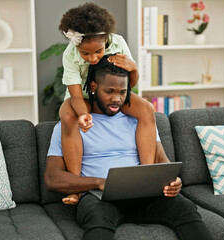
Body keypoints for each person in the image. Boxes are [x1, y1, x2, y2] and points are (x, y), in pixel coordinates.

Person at [44, 56, 213, 240]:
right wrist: (99, 183)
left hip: (145, 195)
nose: (116, 99)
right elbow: (52, 178)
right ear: (93, 87)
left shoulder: (140, 121)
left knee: (186, 208)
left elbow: (161, 160)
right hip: (98, 198)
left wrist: (172, 181)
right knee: (97, 220)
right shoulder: (71, 124)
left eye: (122, 92)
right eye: (109, 91)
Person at [58, 2, 156, 204]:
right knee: (67, 113)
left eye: (98, 51)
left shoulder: (118, 42)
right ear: (76, 46)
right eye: (85, 54)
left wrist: (134, 69)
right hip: (84, 96)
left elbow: (129, 86)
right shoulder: (69, 54)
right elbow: (76, 96)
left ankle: (148, 177)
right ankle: (77, 187)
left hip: (112, 93)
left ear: (107, 40)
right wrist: (83, 114)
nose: (92, 58)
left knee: (147, 109)